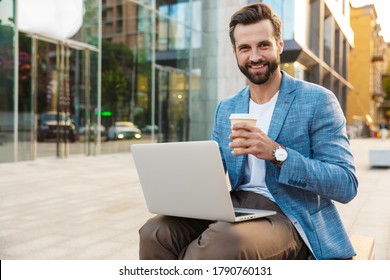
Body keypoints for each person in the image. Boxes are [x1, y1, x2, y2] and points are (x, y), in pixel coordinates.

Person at [138, 3, 358, 260]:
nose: (254, 56)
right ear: (235, 53)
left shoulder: (317, 100)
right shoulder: (227, 107)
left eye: (263, 45)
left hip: (290, 214)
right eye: (245, 48)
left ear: (279, 45)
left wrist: (277, 153)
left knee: (220, 244)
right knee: (155, 232)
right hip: (238, 204)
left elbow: (346, 183)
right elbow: (213, 170)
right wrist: (181, 181)